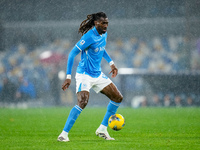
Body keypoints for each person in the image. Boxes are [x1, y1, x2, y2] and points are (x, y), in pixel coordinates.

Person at [57, 12, 123, 142]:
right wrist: (68, 76)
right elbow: (72, 54)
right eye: (103, 23)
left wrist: (111, 64)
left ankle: (102, 129)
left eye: (107, 23)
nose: (106, 26)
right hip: (84, 75)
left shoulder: (104, 34)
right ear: (96, 23)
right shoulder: (88, 37)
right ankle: (63, 134)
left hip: (97, 74)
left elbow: (101, 48)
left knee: (118, 97)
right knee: (83, 102)